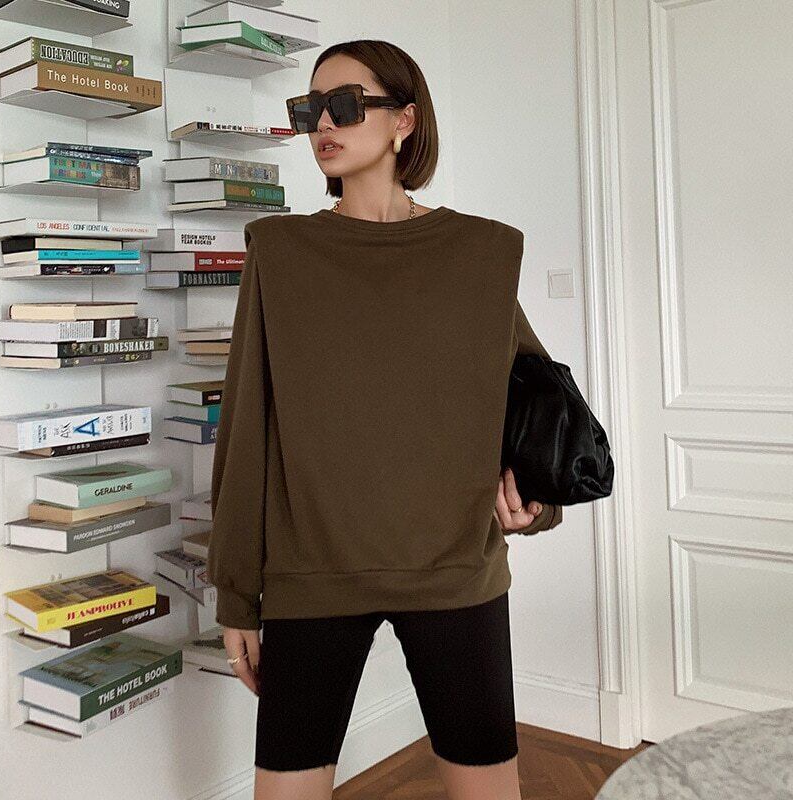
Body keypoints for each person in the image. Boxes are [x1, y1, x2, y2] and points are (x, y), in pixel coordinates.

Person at [206, 39, 563, 800]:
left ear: (404, 120)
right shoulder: (282, 250)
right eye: (309, 109)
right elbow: (246, 425)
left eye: (342, 105)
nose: (321, 124)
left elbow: (538, 404)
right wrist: (235, 591)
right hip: (311, 572)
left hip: (457, 571)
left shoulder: (481, 251)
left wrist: (536, 499)